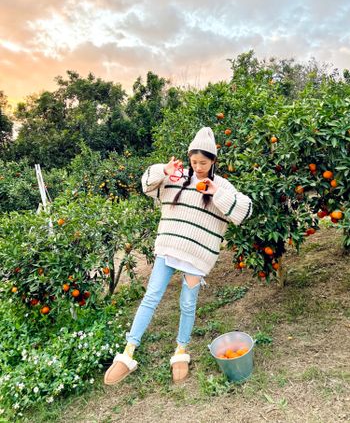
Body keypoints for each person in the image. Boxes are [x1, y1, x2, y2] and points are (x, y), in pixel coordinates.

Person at [104, 127, 253, 385]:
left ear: (213, 161)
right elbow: (146, 183)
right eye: (194, 162)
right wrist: (164, 169)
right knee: (151, 297)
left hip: (196, 255)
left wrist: (216, 192)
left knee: (187, 303)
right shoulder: (178, 176)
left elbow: (245, 210)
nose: (198, 167)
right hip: (170, 247)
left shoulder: (222, 185)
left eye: (203, 163)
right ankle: (128, 352)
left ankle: (181, 351)